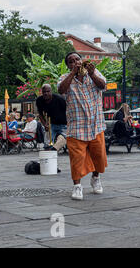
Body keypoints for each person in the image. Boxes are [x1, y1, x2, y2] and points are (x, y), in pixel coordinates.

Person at [58, 51, 107, 201]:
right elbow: (61, 90)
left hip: (95, 125)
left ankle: (95, 178)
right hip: (76, 126)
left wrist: (92, 74)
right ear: (68, 66)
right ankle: (77, 186)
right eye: (71, 62)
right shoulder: (64, 78)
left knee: (98, 156)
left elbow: (102, 85)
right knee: (76, 159)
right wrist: (73, 73)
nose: (76, 63)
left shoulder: (94, 73)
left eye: (77, 59)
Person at [36, 84, 67, 151]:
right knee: (47, 142)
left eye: (48, 91)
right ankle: (48, 150)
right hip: (51, 124)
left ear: (51, 91)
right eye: (44, 92)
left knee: (63, 138)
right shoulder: (39, 100)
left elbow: (68, 111)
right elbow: (40, 114)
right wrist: (45, 124)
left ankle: (54, 149)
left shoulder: (60, 99)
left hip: (64, 124)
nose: (46, 93)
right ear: (42, 92)